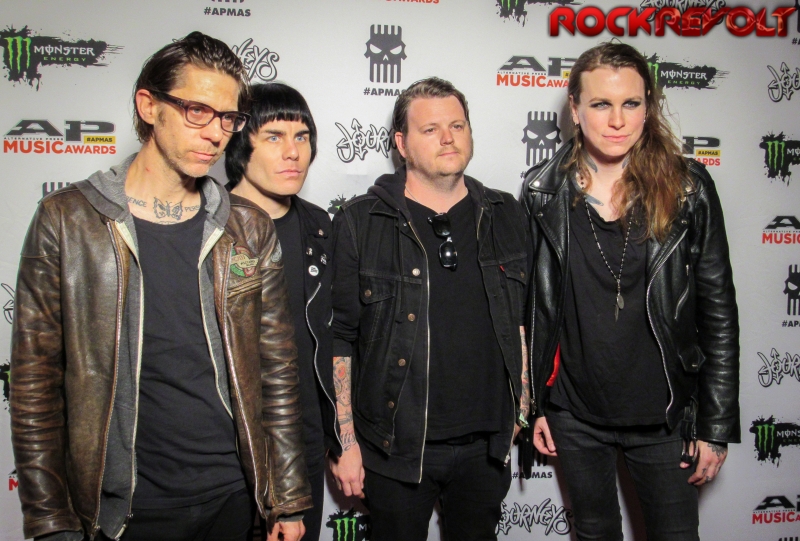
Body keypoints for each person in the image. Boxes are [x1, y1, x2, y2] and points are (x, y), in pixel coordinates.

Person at [10, 32, 311, 541]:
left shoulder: (248, 227)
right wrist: (50, 520)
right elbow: (34, 387)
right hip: (125, 508)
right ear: (149, 106)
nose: (215, 134)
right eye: (197, 111)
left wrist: (287, 500)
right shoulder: (67, 221)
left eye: (228, 118)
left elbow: (277, 373)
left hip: (235, 498)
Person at [521, 41, 740, 541]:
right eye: (601, 103)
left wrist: (715, 424)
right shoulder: (541, 192)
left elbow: (718, 313)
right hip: (574, 414)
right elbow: (534, 309)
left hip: (664, 415)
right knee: (593, 533)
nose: (617, 120)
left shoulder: (687, 188)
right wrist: (537, 406)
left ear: (648, 107)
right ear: (575, 109)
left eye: (631, 103)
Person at [329, 77, 531, 541]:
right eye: (431, 129)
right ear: (401, 144)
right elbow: (341, 337)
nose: (448, 138)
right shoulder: (362, 220)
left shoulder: (505, 213)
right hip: (395, 448)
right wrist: (346, 441)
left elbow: (522, 320)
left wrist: (521, 408)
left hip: (486, 447)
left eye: (457, 125)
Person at [225, 82, 337, 541]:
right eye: (274, 136)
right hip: (229, 453)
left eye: (302, 136)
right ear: (240, 144)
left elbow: (333, 339)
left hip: (304, 447)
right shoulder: (207, 225)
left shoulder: (319, 226)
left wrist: (340, 438)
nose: (293, 152)